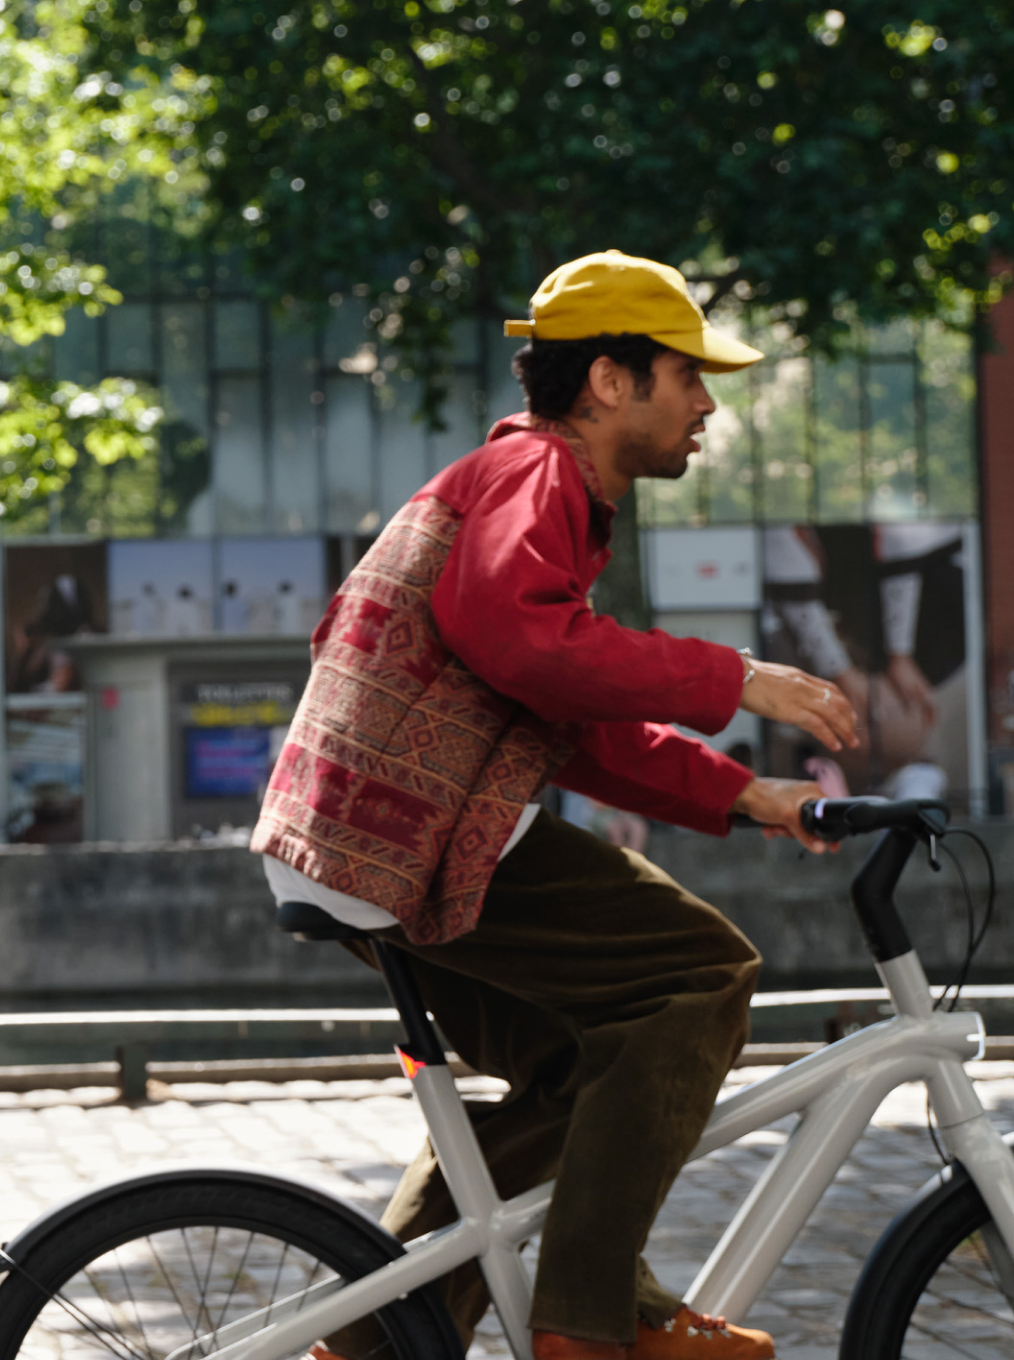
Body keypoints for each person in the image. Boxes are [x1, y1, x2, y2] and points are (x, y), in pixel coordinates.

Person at [251, 252, 860, 1360]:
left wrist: (744, 793)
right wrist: (739, 677)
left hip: (355, 845)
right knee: (699, 971)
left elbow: (574, 715)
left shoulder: (533, 493)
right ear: (610, 383)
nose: (710, 404)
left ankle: (387, 1333)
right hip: (415, 841)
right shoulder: (535, 474)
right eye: (688, 375)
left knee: (585, 1059)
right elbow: (522, 636)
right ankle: (593, 1325)